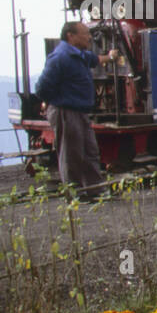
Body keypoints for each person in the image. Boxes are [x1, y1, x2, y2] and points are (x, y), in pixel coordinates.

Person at [34, 21, 118, 198]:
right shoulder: (60, 57)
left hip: (80, 111)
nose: (89, 37)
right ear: (71, 36)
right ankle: (75, 195)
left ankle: (96, 190)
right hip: (66, 111)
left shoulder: (78, 55)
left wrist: (110, 57)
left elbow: (95, 60)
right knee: (71, 155)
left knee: (89, 152)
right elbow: (42, 88)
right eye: (85, 33)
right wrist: (56, 101)